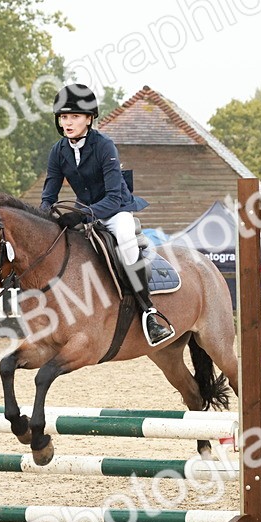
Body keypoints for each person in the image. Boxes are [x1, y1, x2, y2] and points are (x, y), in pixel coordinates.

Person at [40, 83, 175, 346]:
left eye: (74, 117)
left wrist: (83, 215)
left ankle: (148, 311)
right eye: (64, 117)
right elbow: (49, 195)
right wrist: (44, 220)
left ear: (89, 119)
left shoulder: (104, 146)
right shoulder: (58, 152)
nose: (68, 123)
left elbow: (114, 196)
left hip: (115, 210)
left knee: (125, 240)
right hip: (84, 211)